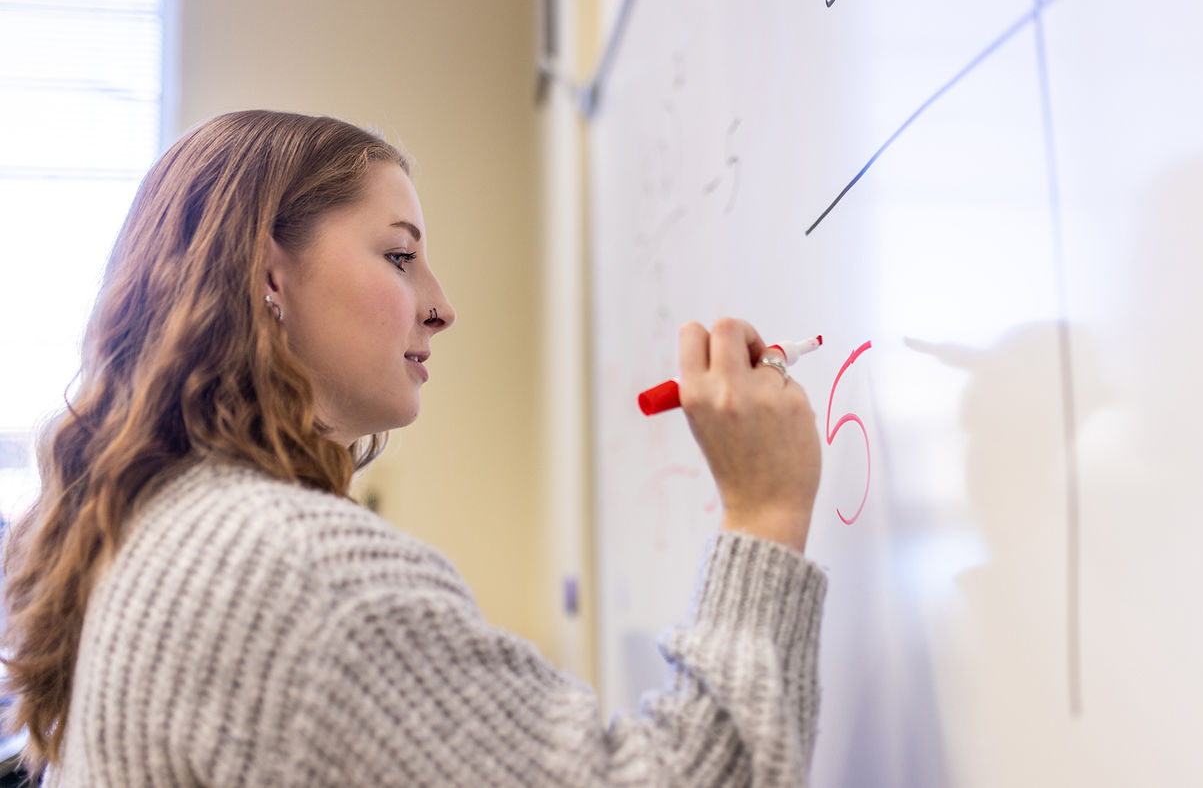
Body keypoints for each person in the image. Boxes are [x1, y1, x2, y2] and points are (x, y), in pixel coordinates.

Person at [1, 110, 826, 786]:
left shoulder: (158, 530)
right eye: (399, 256)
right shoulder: (299, 573)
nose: (441, 306)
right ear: (268, 274)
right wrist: (764, 511)